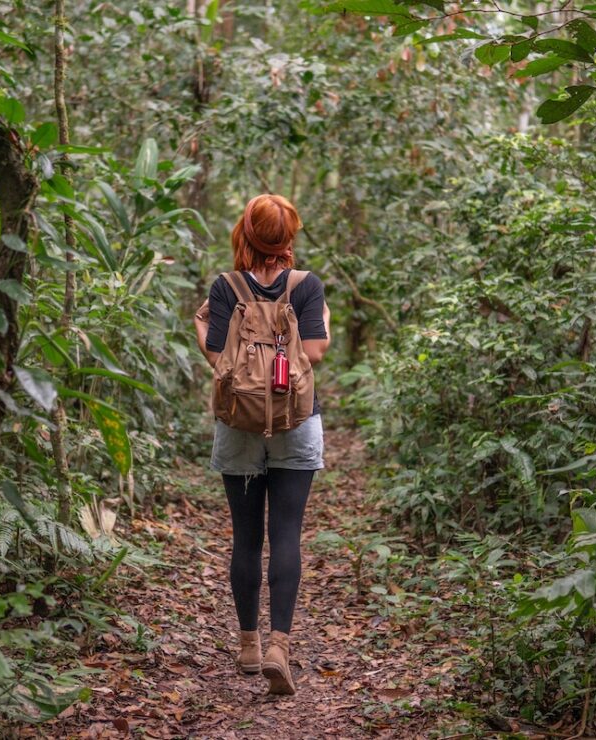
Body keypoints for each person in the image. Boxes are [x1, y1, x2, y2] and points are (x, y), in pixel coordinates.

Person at [193, 193, 330, 696]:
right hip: (295, 420)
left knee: (247, 538)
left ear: (245, 235)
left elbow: (218, 361)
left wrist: (201, 326)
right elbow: (313, 352)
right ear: (287, 238)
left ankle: (248, 644)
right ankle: (279, 645)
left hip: (239, 424)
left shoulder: (225, 287)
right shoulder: (305, 286)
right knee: (287, 533)